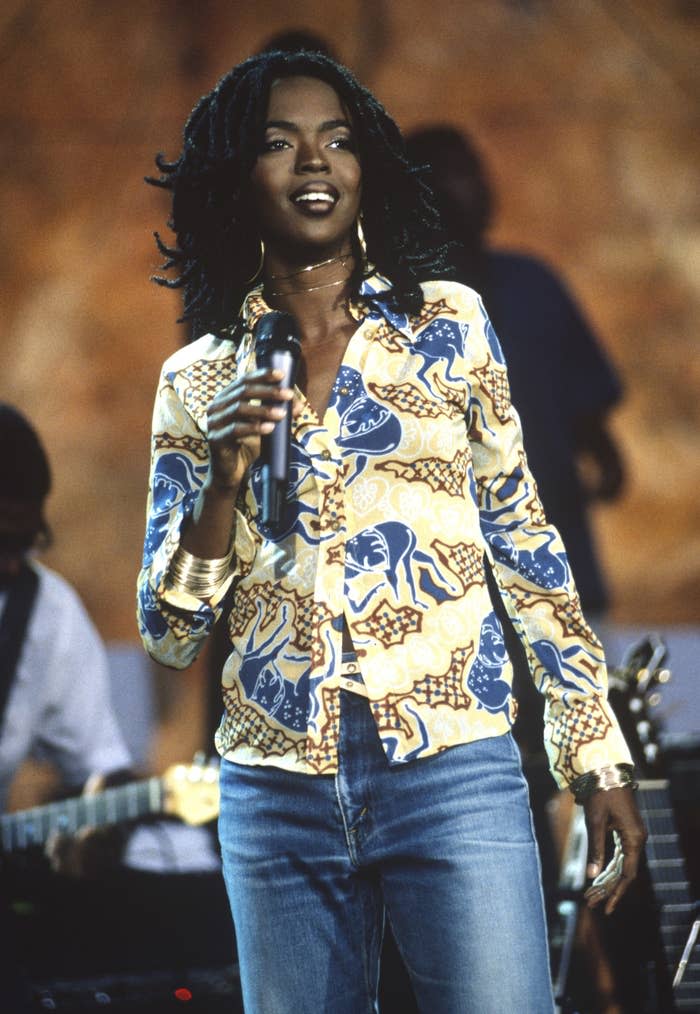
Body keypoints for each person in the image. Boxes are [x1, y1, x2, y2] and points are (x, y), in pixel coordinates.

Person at [138, 49, 646, 1014]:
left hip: (451, 766)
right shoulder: (200, 380)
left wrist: (595, 753)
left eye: (337, 140)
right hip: (274, 785)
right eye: (280, 145)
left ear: (366, 166)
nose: (315, 164)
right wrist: (222, 489)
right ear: (238, 177)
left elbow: (526, 539)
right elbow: (168, 634)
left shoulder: (449, 324)